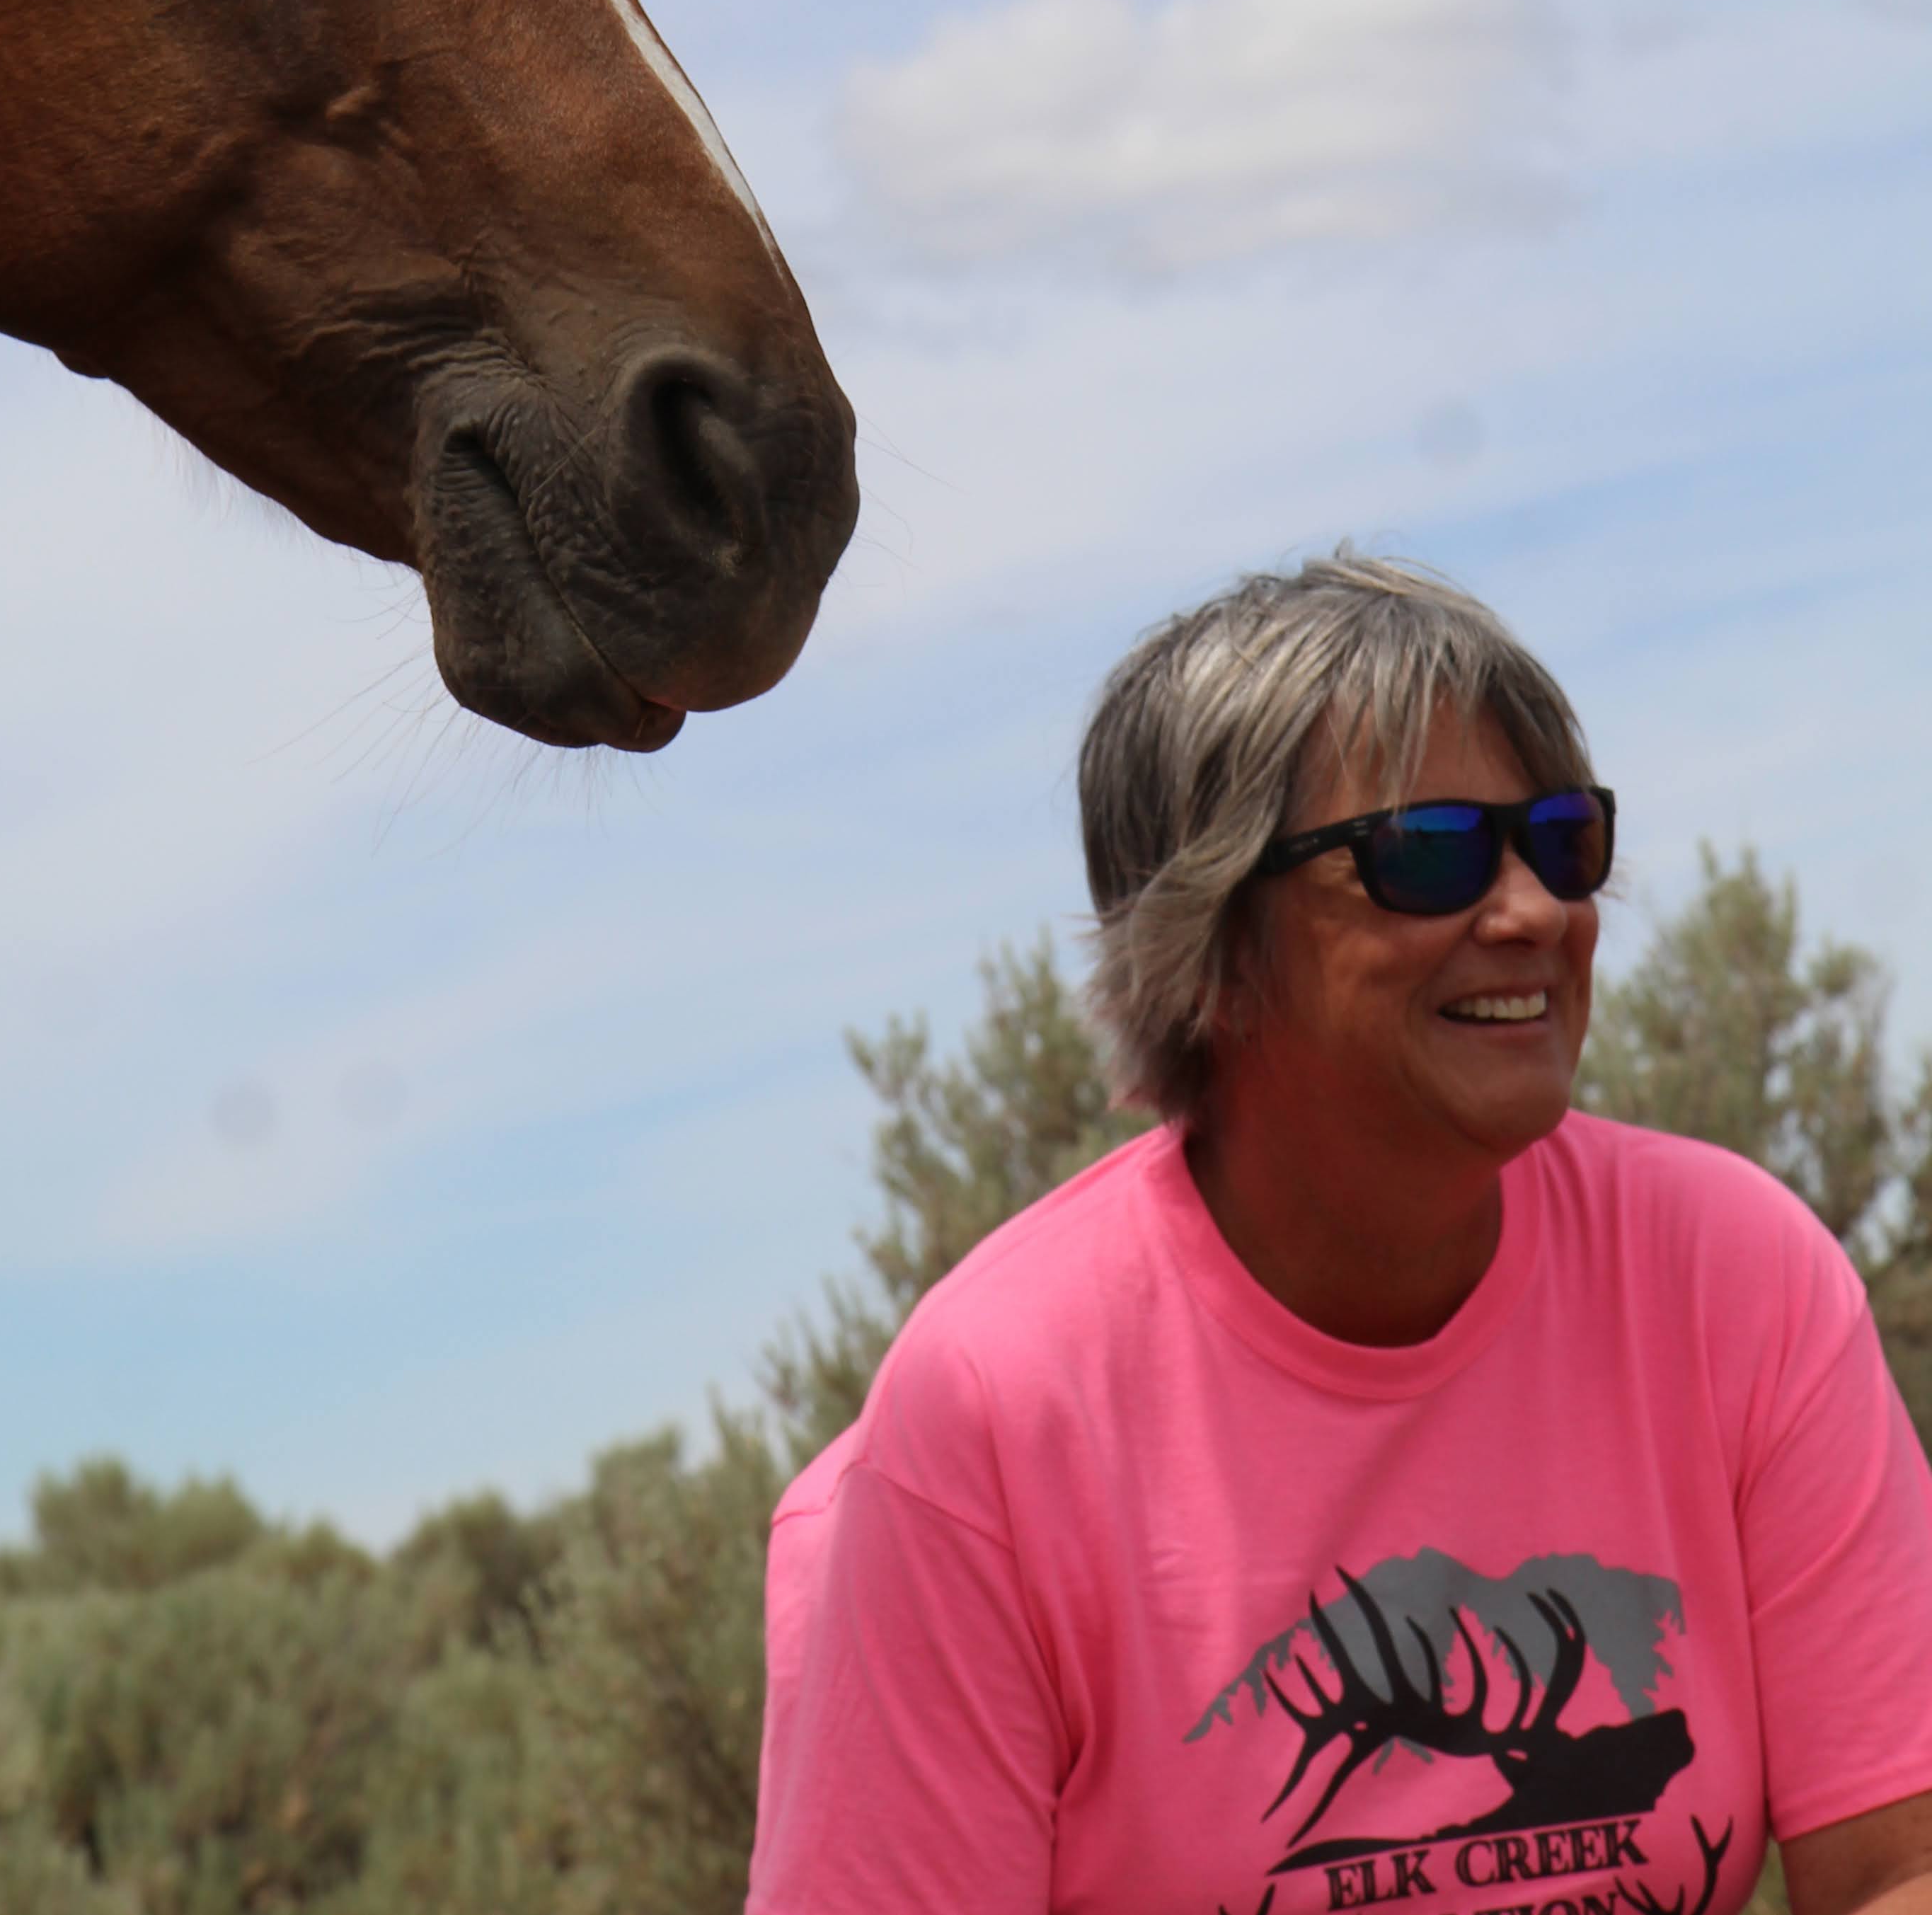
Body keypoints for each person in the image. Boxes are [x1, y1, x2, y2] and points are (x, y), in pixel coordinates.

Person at [747, 553, 1932, 1915]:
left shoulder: (1736, 1276)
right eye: (1427, 852)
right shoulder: (989, 1420)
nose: (1535, 911)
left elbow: (1899, 1863)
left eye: (1561, 840)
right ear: (1211, 946)